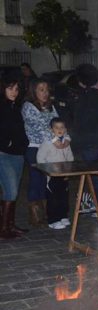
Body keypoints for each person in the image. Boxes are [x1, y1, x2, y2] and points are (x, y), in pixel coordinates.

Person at [69, 63, 98, 219]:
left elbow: (81, 120)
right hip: (97, 140)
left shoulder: (87, 96)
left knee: (96, 175)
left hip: (89, 141)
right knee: (97, 173)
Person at [22, 78, 58, 226]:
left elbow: (58, 123)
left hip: (50, 147)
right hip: (35, 147)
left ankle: (44, 211)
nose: (45, 93)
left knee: (45, 179)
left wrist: (60, 134)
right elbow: (40, 128)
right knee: (36, 178)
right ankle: (34, 213)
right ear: (33, 91)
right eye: (41, 90)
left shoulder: (50, 106)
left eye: (46, 90)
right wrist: (57, 135)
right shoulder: (28, 106)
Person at [0, 74, 29, 238]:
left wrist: (22, 144)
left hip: (18, 154)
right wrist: (6, 144)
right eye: (10, 88)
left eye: (17, 89)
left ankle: (9, 225)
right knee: (10, 189)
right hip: (3, 154)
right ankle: (4, 228)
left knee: (13, 191)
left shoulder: (15, 106)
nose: (14, 92)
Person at [37, 118, 73, 229]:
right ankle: (53, 219)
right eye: (56, 128)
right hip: (52, 175)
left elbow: (70, 157)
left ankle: (63, 216)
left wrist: (69, 171)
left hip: (63, 174)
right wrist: (47, 171)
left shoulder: (66, 143)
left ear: (65, 129)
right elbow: (40, 158)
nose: (59, 130)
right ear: (51, 130)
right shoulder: (47, 143)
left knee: (63, 196)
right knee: (53, 197)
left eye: (62, 127)